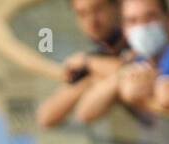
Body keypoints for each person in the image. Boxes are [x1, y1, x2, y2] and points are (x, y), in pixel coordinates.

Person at [74, 0, 169, 122]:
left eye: (150, 17)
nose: (142, 27)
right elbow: (84, 114)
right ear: (124, 29)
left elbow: (133, 90)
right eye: (132, 21)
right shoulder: (138, 61)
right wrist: (121, 77)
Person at [37, 0, 128, 128]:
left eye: (98, 9)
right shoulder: (99, 55)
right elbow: (46, 117)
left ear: (118, 5)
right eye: (82, 14)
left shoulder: (142, 41)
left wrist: (88, 63)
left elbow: (130, 70)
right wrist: (90, 80)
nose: (91, 21)